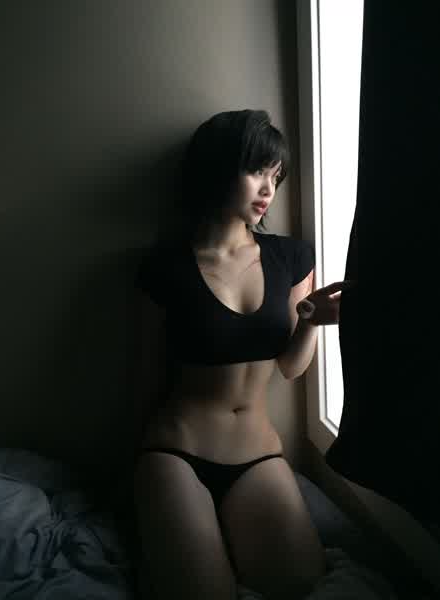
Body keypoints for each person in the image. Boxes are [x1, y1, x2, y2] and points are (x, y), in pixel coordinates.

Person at [133, 109, 352, 600]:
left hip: (259, 456)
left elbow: (290, 368)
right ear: (217, 168)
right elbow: (146, 377)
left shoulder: (292, 258)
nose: (269, 189)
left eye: (277, 175)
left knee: (300, 586)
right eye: (257, 171)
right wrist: (135, 474)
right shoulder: (163, 266)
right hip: (176, 453)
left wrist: (311, 323)